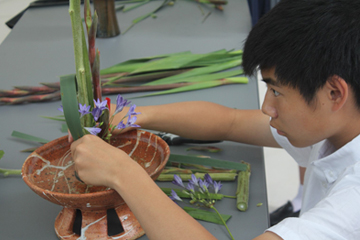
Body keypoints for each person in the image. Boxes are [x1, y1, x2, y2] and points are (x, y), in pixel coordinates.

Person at [70, 0, 360, 239]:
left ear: (335, 92)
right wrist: (136, 115)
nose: (266, 107)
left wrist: (122, 173)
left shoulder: (352, 205)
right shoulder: (336, 125)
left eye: (276, 91)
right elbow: (230, 121)